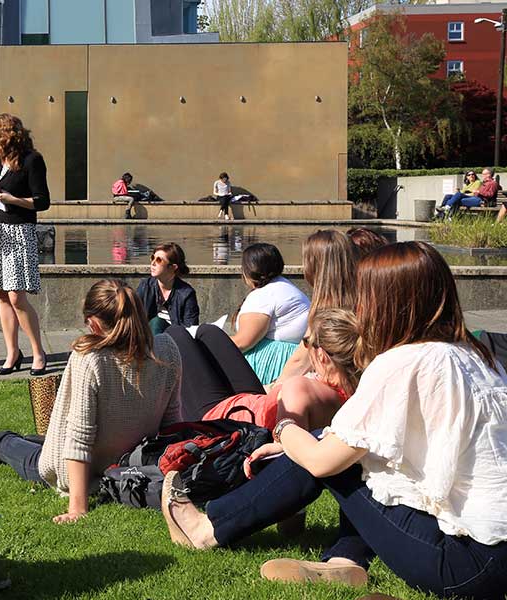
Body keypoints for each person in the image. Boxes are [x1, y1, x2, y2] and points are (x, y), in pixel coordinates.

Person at [161, 242, 507, 598]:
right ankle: (347, 558)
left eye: (364, 294)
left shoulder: (403, 363)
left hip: (468, 564)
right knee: (352, 452)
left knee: (328, 452)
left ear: (389, 302)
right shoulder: (478, 356)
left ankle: (207, 528)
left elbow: (322, 461)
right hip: (496, 549)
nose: (359, 306)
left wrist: (284, 431)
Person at [0, 279, 182, 523]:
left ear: (93, 323)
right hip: (132, 462)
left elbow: (79, 437)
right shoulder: (166, 349)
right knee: (28, 440)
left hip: (87, 469)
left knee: (5, 444)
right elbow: (173, 424)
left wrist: (77, 508)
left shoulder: (91, 359)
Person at [168, 308, 358, 429]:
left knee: (175, 334)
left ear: (322, 356)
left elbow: (285, 444)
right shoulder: (356, 388)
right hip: (255, 404)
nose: (304, 347)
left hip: (223, 420)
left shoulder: (300, 388)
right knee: (209, 332)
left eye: (306, 342)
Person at [0, 113, 51, 376]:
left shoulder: (32, 160)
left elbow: (42, 201)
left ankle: (38, 353)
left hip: (18, 230)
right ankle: (12, 353)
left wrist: (12, 198)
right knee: (2, 295)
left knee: (17, 296)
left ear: (10, 135)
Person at [273, 230, 358, 383]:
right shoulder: (360, 305)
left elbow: (299, 363)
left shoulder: (327, 313)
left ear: (315, 267)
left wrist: (270, 390)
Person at [229, 243, 310, 385]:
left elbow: (244, 341)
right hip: (294, 363)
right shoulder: (283, 286)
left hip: (275, 368)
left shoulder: (266, 294)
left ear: (248, 270)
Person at [135, 242, 199, 335]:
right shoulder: (145, 286)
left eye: (159, 260)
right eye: (153, 258)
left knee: (157, 322)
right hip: (147, 339)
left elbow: (191, 328)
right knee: (156, 323)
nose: (153, 263)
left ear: (173, 267)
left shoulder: (186, 294)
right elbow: (132, 315)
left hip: (176, 340)